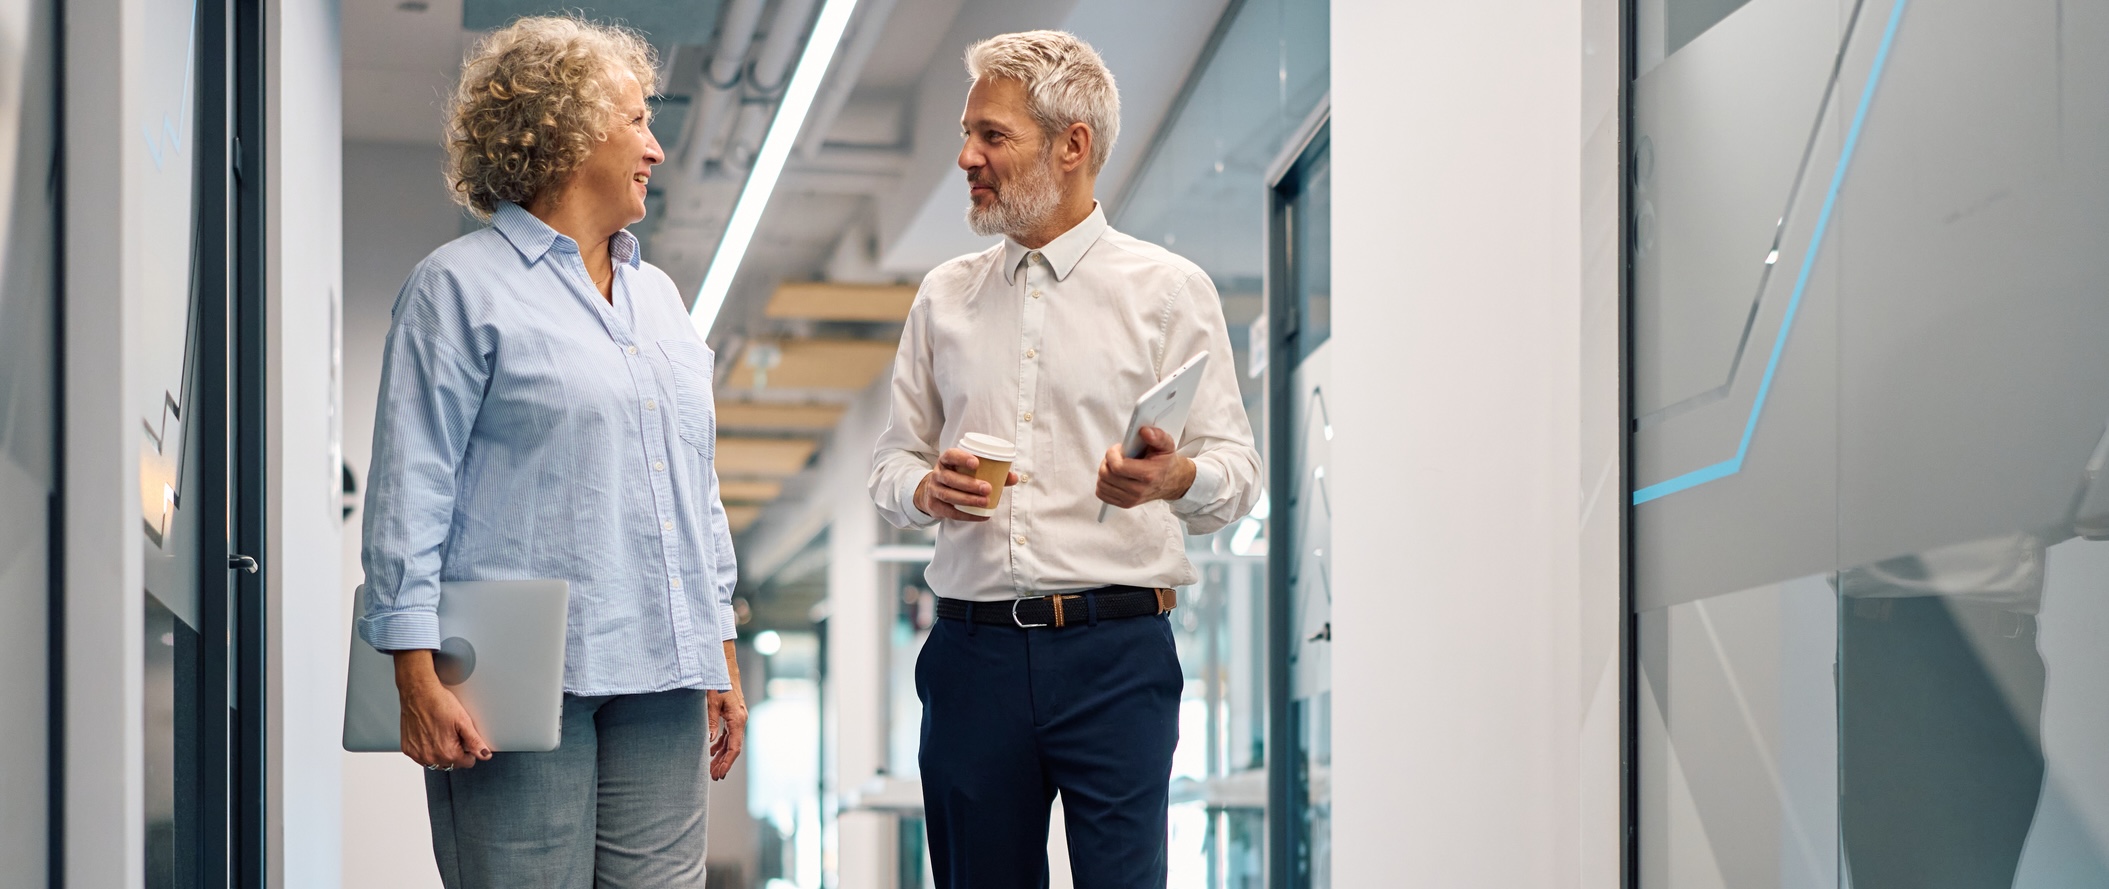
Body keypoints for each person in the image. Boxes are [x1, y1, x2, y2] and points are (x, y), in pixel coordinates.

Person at [869, 30, 1262, 888]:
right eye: (968, 134)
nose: (967, 157)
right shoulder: (944, 296)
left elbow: (1235, 469)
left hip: (1116, 654)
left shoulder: (1167, 290)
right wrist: (926, 490)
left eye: (993, 136)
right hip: (972, 659)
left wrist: (1173, 477)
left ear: (1072, 144)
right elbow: (891, 465)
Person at [357, 16, 744, 888]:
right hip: (516, 665)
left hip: (664, 667)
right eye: (637, 121)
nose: (655, 146)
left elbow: (697, 491)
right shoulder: (459, 287)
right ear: (568, 130)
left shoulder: (663, 301)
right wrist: (414, 674)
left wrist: (720, 652)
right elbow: (409, 488)